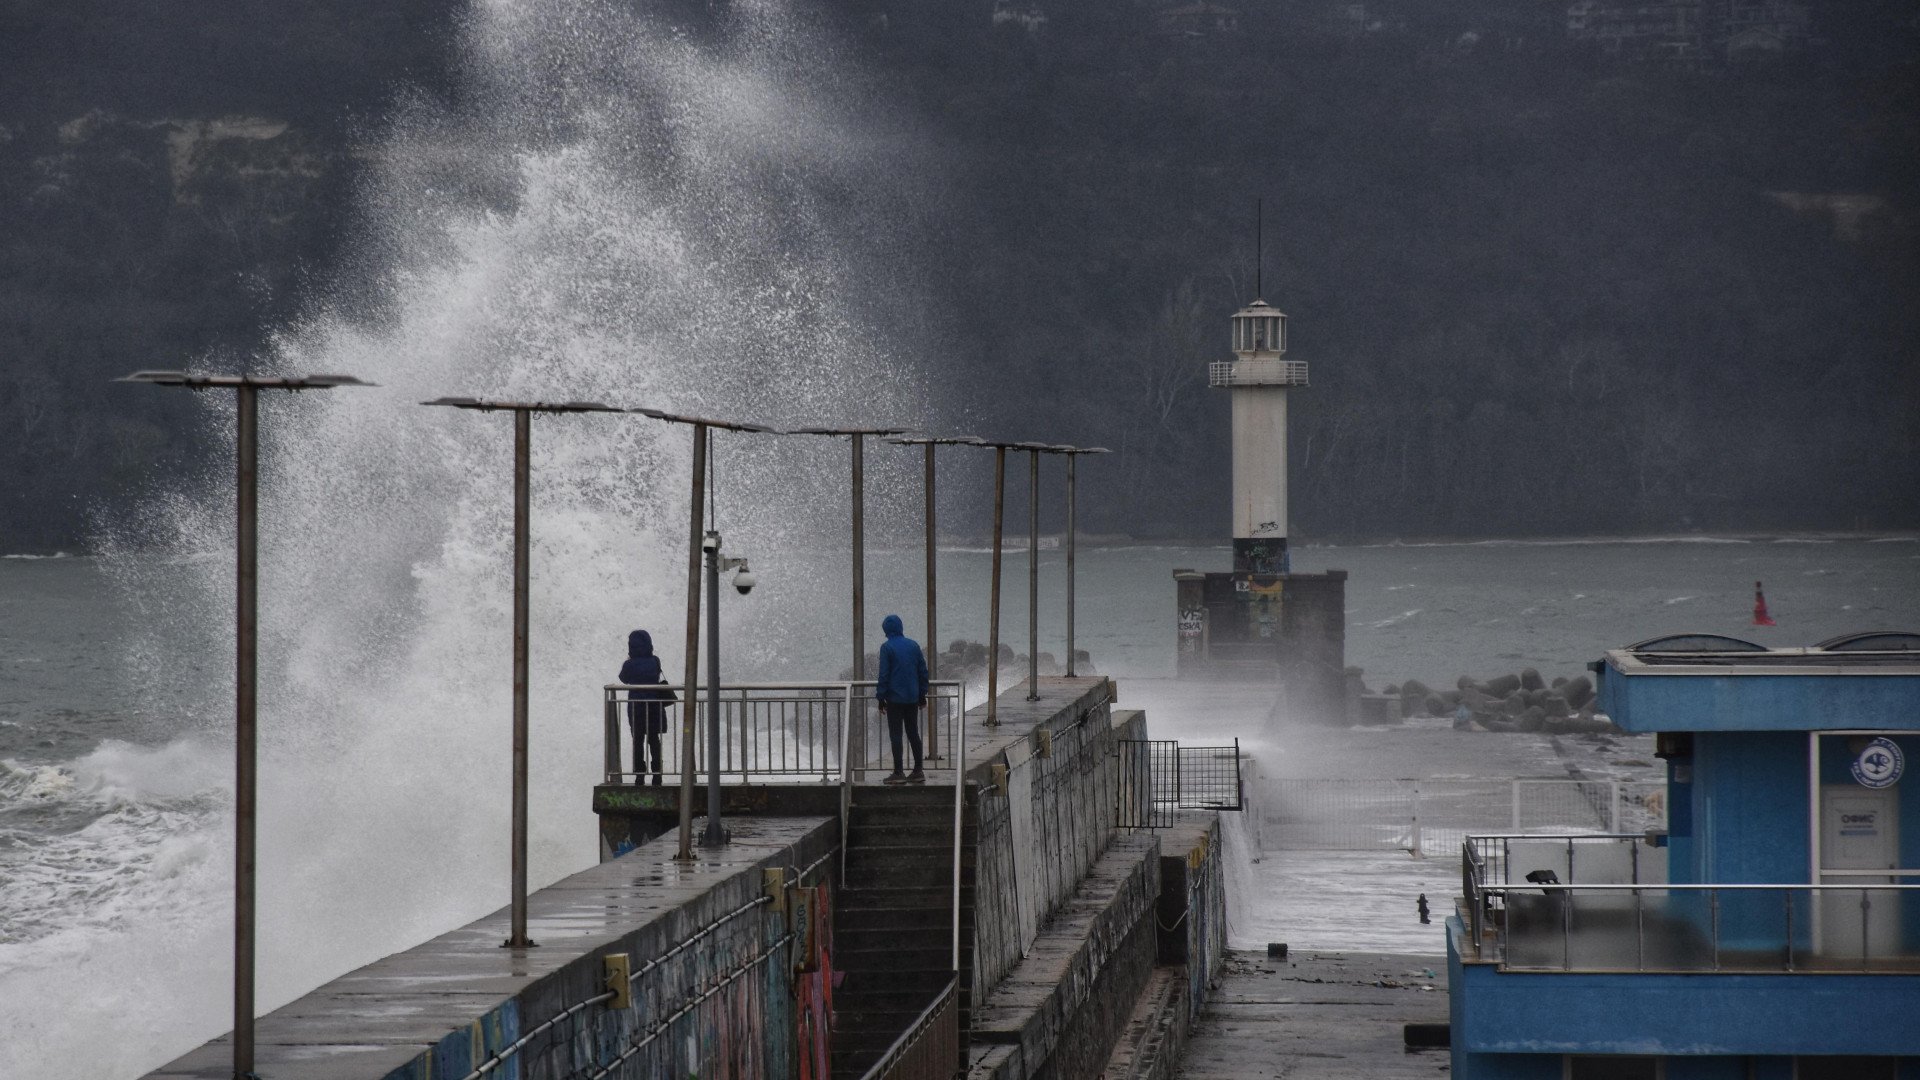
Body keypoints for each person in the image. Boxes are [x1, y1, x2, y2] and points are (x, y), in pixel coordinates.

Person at [875, 613, 930, 784]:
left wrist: (880, 698)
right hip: (912, 698)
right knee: (913, 733)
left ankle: (898, 772)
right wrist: (922, 695)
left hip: (895, 699)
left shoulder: (887, 648)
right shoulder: (913, 645)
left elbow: (884, 675)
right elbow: (922, 672)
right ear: (901, 627)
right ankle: (918, 770)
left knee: (896, 734)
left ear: (886, 630)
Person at [618, 629, 675, 785]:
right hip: (654, 706)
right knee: (653, 739)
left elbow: (623, 679)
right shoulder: (655, 661)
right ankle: (657, 774)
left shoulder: (629, 665)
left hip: (636, 708)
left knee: (638, 740)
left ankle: (639, 775)